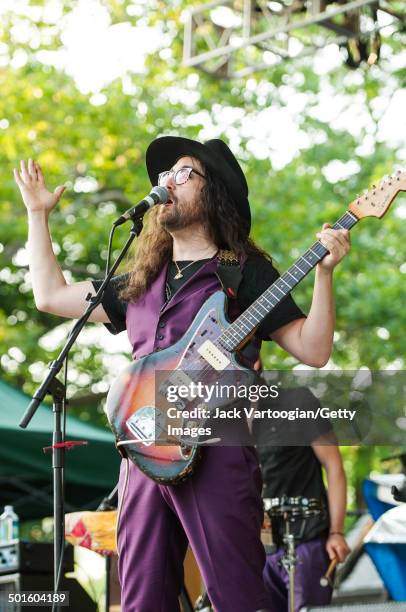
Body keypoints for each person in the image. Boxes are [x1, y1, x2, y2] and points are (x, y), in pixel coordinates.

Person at [14, 137, 350, 612]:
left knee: (237, 598)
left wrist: (324, 275)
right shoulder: (139, 281)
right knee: (142, 600)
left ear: (215, 193)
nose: (166, 181)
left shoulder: (244, 274)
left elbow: (314, 351)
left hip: (219, 451)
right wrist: (37, 214)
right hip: (144, 453)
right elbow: (49, 295)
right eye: (163, 176)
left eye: (183, 173)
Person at [252, 382, 351, 611]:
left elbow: (334, 465)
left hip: (306, 541)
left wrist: (337, 532)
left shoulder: (296, 401)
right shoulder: (223, 416)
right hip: (259, 548)